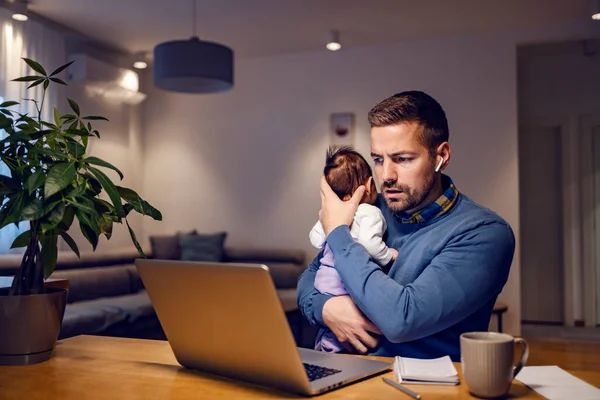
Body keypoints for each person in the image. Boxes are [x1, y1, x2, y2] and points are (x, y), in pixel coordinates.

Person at [297, 90, 515, 361]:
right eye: (378, 159)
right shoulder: (372, 210)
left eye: (402, 159)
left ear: (441, 156)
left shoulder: (484, 234)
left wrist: (338, 232)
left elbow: (402, 320)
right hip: (347, 377)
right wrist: (326, 308)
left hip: (427, 389)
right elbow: (311, 277)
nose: (386, 175)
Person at [309, 146, 398, 353]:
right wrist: (388, 256)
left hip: (324, 284)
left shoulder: (330, 215)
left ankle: (324, 349)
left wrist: (331, 223)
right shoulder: (370, 212)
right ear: (368, 185)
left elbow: (315, 239)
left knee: (330, 332)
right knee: (355, 327)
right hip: (346, 288)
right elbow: (370, 245)